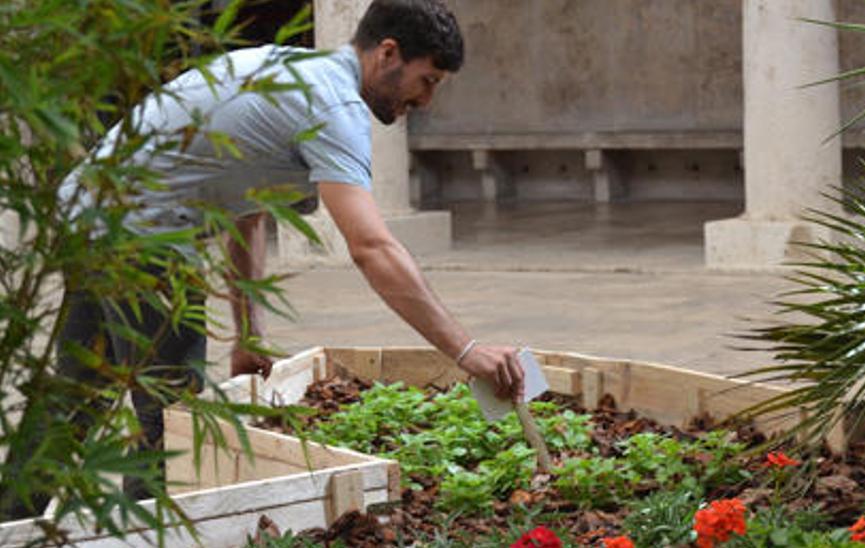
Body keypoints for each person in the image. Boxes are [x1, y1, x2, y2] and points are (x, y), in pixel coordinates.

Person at [6, 0, 523, 516]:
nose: (426, 100)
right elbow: (372, 248)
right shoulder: (332, 106)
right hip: (141, 236)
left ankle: (11, 521)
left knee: (75, 397)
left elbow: (247, 210)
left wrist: (246, 332)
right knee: (172, 425)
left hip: (89, 216)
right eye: (427, 80)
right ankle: (147, 533)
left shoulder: (290, 69)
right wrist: (466, 350)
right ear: (388, 53)